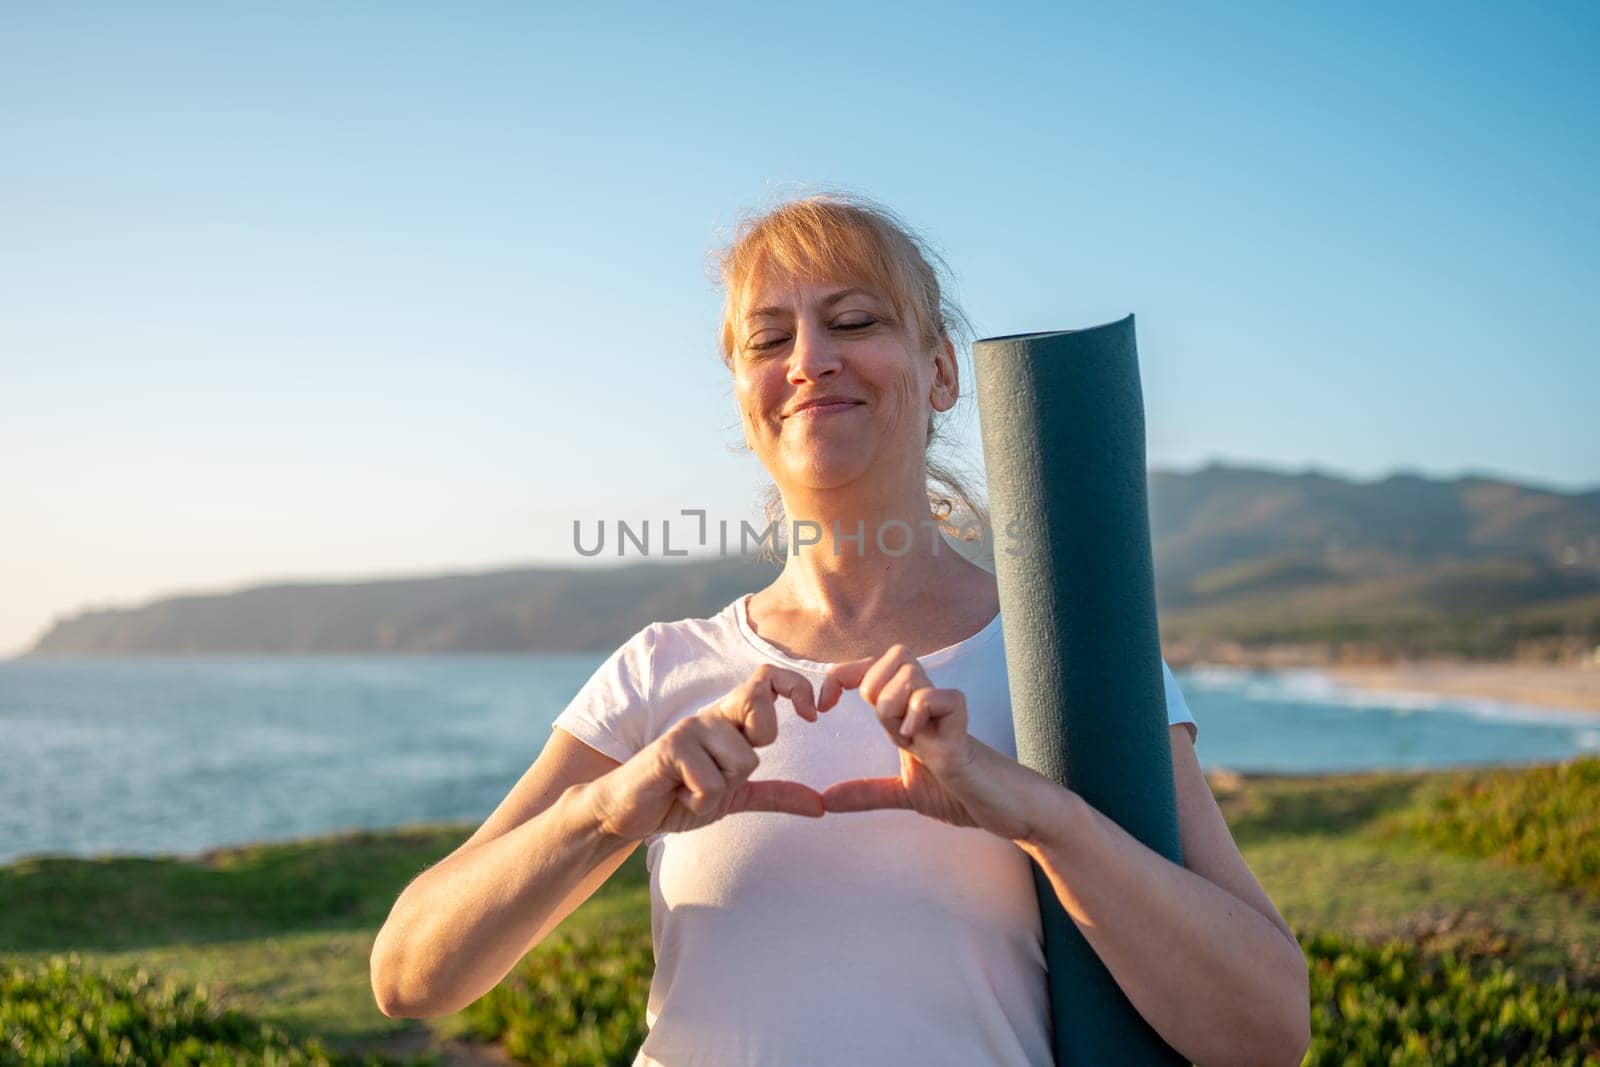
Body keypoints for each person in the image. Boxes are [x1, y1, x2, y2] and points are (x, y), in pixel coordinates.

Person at [370, 193, 1312, 1066]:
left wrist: (1032, 813)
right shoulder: (662, 669)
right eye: (767, 338)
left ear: (942, 370)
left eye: (855, 320)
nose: (810, 358)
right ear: (744, 395)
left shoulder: (1066, 661)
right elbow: (410, 974)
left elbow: (1267, 1030)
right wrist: (614, 808)